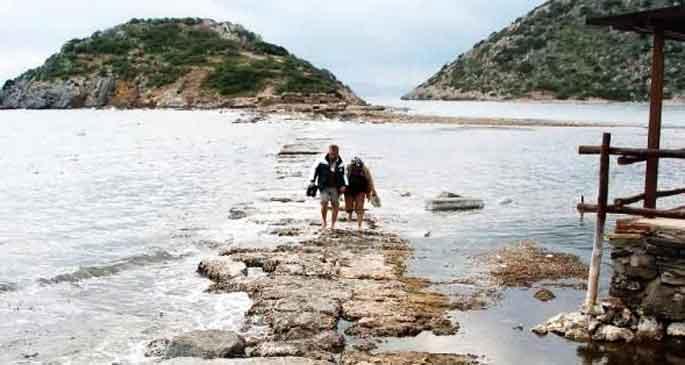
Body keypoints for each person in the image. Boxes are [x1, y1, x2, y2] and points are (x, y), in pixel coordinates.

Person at [311, 145, 348, 230]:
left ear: (338, 153)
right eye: (331, 153)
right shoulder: (321, 161)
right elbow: (314, 170)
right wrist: (312, 181)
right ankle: (324, 222)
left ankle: (333, 224)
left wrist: (344, 185)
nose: (333, 155)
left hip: (336, 187)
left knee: (335, 205)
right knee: (324, 203)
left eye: (335, 153)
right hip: (323, 186)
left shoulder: (341, 162)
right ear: (329, 152)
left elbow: (344, 175)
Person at [344, 157, 377, 230]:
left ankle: (352, 224)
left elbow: (343, 178)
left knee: (352, 209)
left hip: (353, 191)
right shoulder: (363, 168)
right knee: (356, 209)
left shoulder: (350, 167)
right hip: (356, 191)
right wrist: (371, 191)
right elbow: (369, 180)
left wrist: (372, 191)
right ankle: (358, 225)